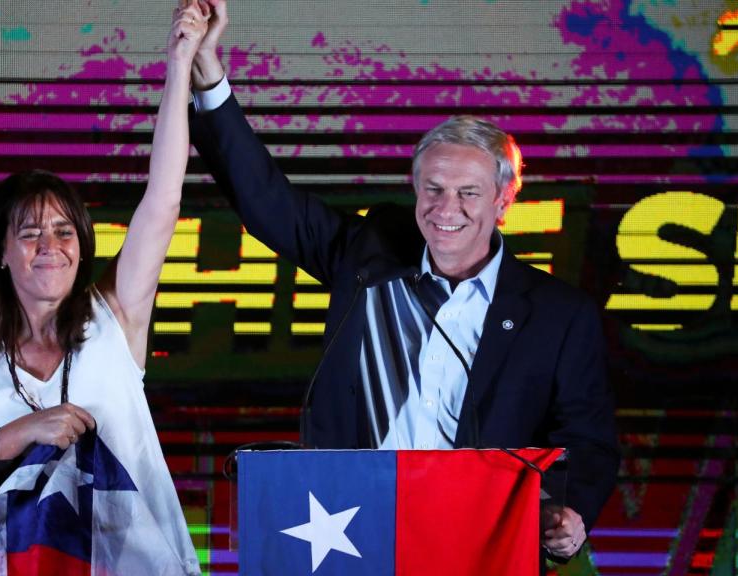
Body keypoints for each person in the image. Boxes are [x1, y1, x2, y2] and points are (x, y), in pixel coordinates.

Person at [186, 0, 619, 562]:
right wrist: (208, 69)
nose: (447, 208)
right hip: (355, 531)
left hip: (477, 539)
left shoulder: (558, 313)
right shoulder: (370, 257)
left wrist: (575, 512)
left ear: (504, 200)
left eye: (469, 193)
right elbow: (266, 199)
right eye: (433, 189)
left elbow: (589, 438)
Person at [0, 3, 208, 575]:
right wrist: (19, 433)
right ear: (1, 252)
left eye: (64, 230)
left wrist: (179, 64)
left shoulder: (114, 313)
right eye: (30, 232)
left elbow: (163, 199)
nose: (51, 244)